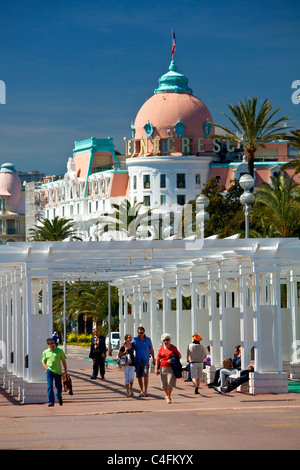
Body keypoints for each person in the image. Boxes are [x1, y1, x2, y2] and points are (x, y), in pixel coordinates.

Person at [155, 333, 181, 404]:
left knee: (170, 382)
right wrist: (156, 368)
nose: (166, 341)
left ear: (170, 340)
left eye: (167, 340)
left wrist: (172, 359)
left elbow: (179, 356)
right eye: (164, 340)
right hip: (163, 367)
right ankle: (166, 394)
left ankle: (169, 396)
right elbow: (158, 358)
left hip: (171, 368)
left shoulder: (173, 348)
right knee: (163, 384)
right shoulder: (161, 349)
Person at [41, 338, 67, 407]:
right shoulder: (45, 352)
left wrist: (65, 369)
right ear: (48, 345)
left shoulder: (59, 351)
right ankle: (51, 401)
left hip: (58, 372)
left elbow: (63, 360)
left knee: (59, 387)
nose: (52, 344)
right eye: (51, 343)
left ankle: (59, 397)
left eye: (53, 343)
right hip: (49, 371)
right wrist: (47, 368)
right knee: (49, 386)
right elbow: (43, 361)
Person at [131, 326, 155, 397]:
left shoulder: (148, 339)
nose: (140, 334)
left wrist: (154, 358)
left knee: (146, 375)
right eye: (139, 333)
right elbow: (130, 346)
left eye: (141, 332)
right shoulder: (135, 339)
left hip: (145, 360)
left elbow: (151, 349)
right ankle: (141, 391)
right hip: (138, 360)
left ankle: (146, 391)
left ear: (144, 332)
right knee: (139, 376)